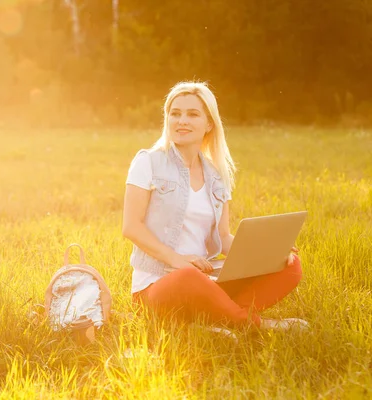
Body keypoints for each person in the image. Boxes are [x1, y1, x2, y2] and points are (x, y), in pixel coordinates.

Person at [122, 81, 306, 331]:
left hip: (206, 280)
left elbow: (223, 237)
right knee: (188, 277)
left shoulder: (217, 175)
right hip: (158, 285)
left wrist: (268, 253)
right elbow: (131, 227)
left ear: (209, 124)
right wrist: (178, 261)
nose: (181, 121)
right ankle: (256, 324)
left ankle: (207, 321)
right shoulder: (148, 162)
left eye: (192, 114)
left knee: (290, 265)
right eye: (175, 114)